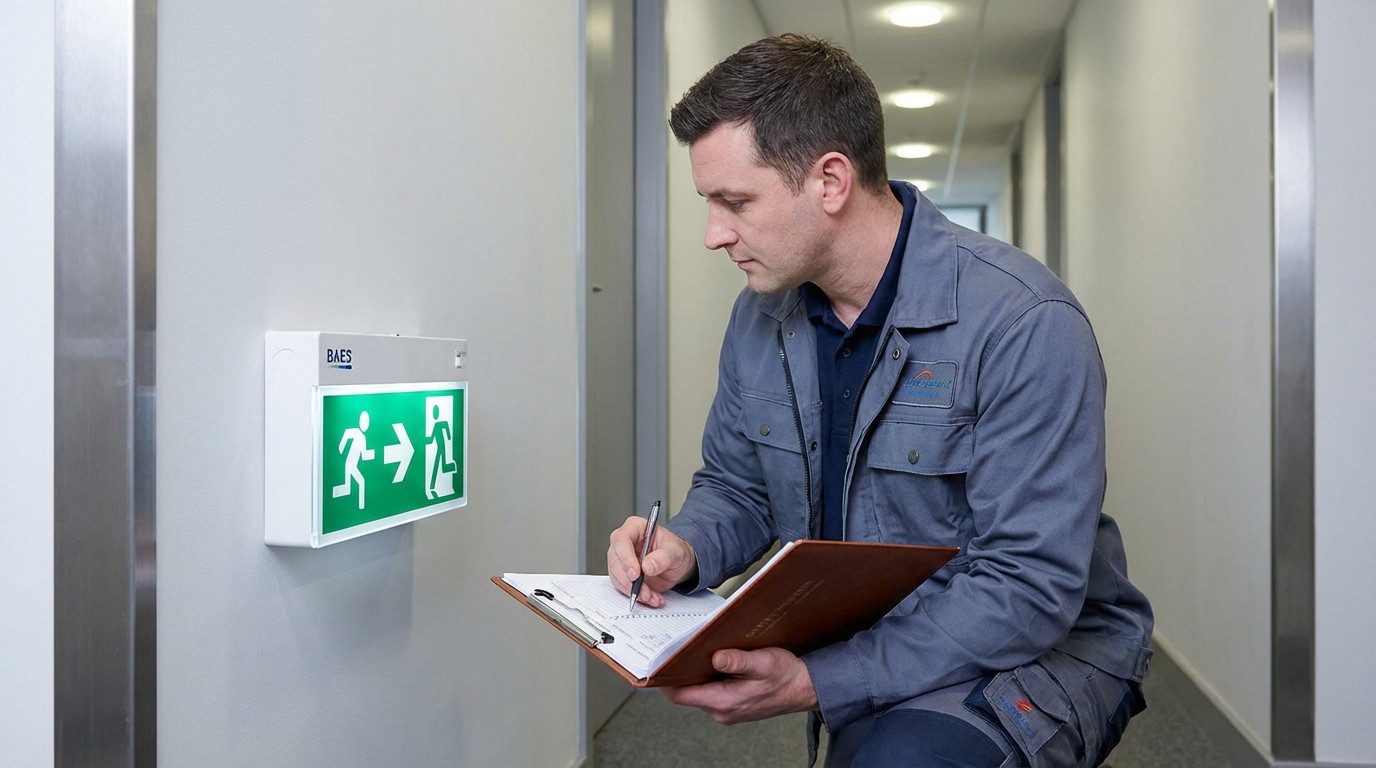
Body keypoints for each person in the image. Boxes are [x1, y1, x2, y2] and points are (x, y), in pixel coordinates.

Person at [607, 34, 1153, 767]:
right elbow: (738, 486)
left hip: (1039, 652)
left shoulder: (1023, 321)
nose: (714, 235)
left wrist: (821, 679)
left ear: (831, 180)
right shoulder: (760, 316)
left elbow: (1028, 583)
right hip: (876, 637)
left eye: (735, 202)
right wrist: (686, 548)